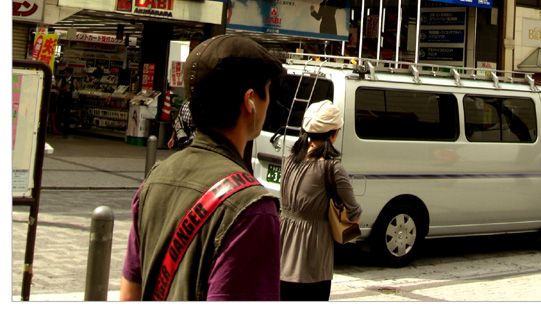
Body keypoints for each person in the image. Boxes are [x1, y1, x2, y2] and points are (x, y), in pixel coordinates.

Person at [119, 34, 285, 301]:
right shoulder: (252, 209)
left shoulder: (155, 180)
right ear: (250, 100)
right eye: (268, 91)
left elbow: (129, 294)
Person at [279, 100, 361, 302]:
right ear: (333, 134)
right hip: (315, 260)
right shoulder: (332, 168)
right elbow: (355, 213)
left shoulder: (288, 160)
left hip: (281, 257)